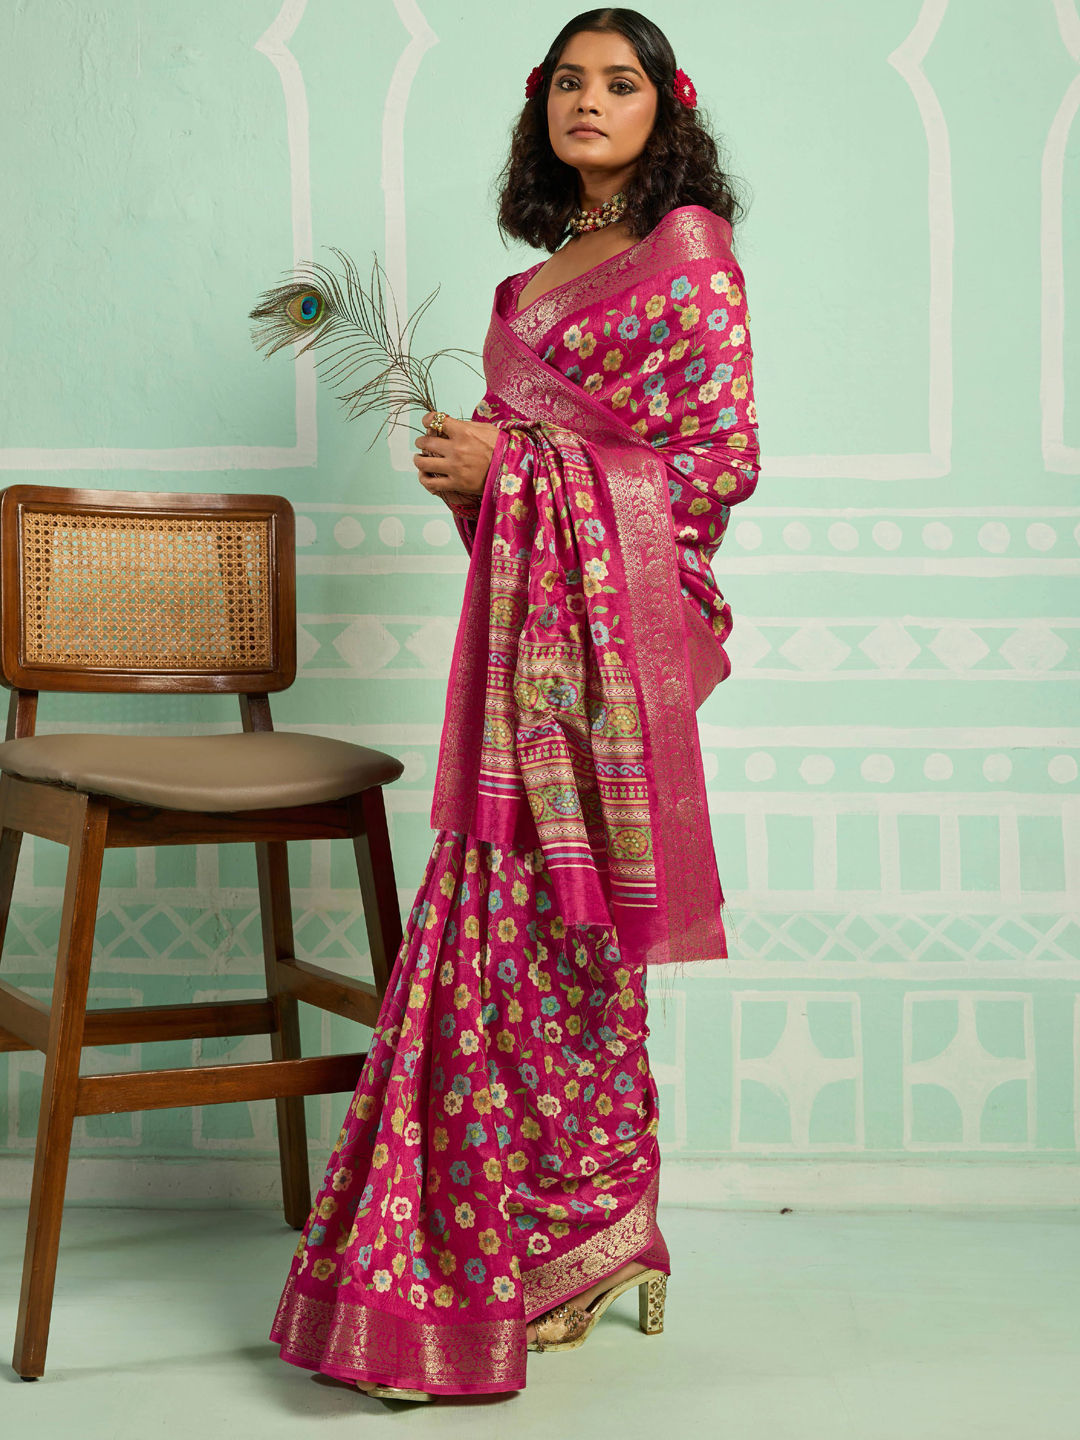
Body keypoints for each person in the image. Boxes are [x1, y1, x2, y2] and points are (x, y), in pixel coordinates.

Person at [269, 6, 759, 1401]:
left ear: (666, 108)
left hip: (619, 647)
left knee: (574, 925)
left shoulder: (689, 257)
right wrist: (472, 478)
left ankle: (587, 1232)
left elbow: (715, 466)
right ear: (541, 107)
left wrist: (521, 470)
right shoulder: (531, 285)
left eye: (621, 83)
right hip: (530, 647)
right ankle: (563, 1234)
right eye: (568, 83)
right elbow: (521, 497)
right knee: (510, 924)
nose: (589, 102)